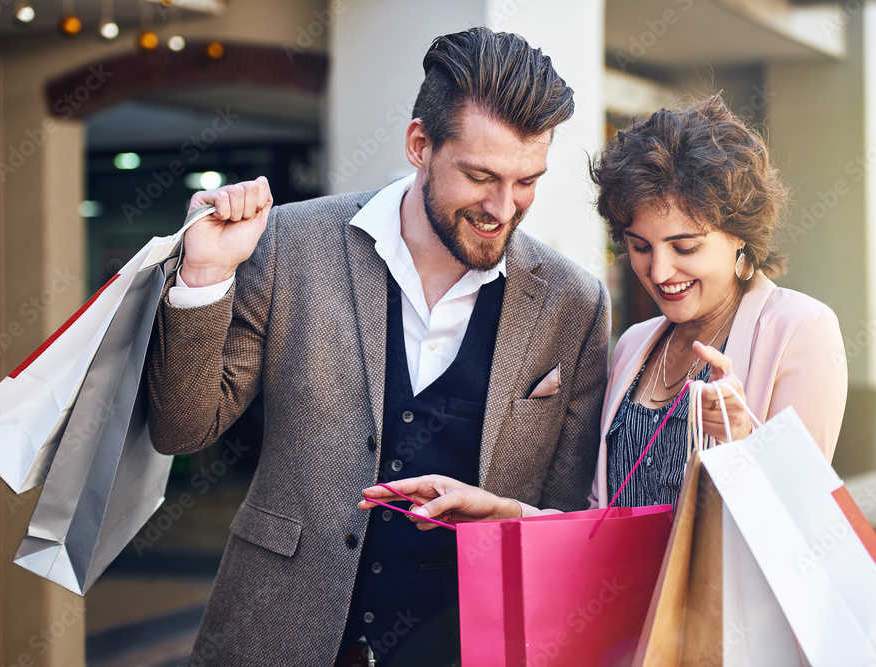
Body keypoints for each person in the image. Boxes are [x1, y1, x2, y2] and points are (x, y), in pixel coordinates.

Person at [146, 27, 610, 667]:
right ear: (420, 145)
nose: (504, 208)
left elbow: (562, 526)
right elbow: (181, 429)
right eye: (481, 176)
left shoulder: (573, 304)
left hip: (469, 646)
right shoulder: (291, 244)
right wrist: (204, 277)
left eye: (527, 181)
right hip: (276, 636)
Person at [360, 94, 848, 524]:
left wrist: (744, 440)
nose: (659, 272)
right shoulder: (636, 344)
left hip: (722, 626)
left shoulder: (801, 329)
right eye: (640, 246)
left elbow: (805, 521)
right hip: (624, 625)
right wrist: (500, 510)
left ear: (740, 234)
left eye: (685, 247)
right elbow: (600, 521)